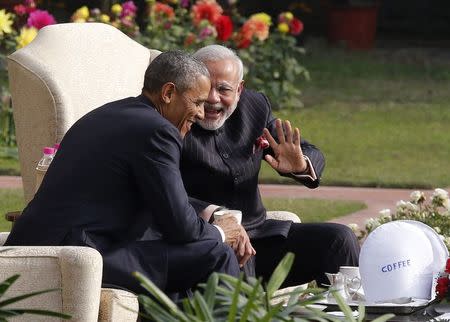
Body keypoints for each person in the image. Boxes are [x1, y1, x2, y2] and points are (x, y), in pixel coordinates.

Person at [5, 50, 241, 295]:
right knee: (216, 251)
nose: (202, 113)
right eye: (198, 102)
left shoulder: (111, 114)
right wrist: (222, 232)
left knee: (186, 256)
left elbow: (164, 205)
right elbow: (180, 226)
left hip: (55, 246)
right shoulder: (157, 130)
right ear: (168, 93)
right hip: (76, 257)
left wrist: (210, 219)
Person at [180, 45, 360, 287]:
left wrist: (300, 164)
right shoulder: (173, 117)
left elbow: (307, 151)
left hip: (260, 238)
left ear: (240, 89)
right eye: (205, 87)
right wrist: (220, 219)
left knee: (340, 239)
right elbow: (161, 189)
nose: (213, 98)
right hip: (209, 242)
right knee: (233, 258)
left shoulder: (255, 107)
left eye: (223, 89)